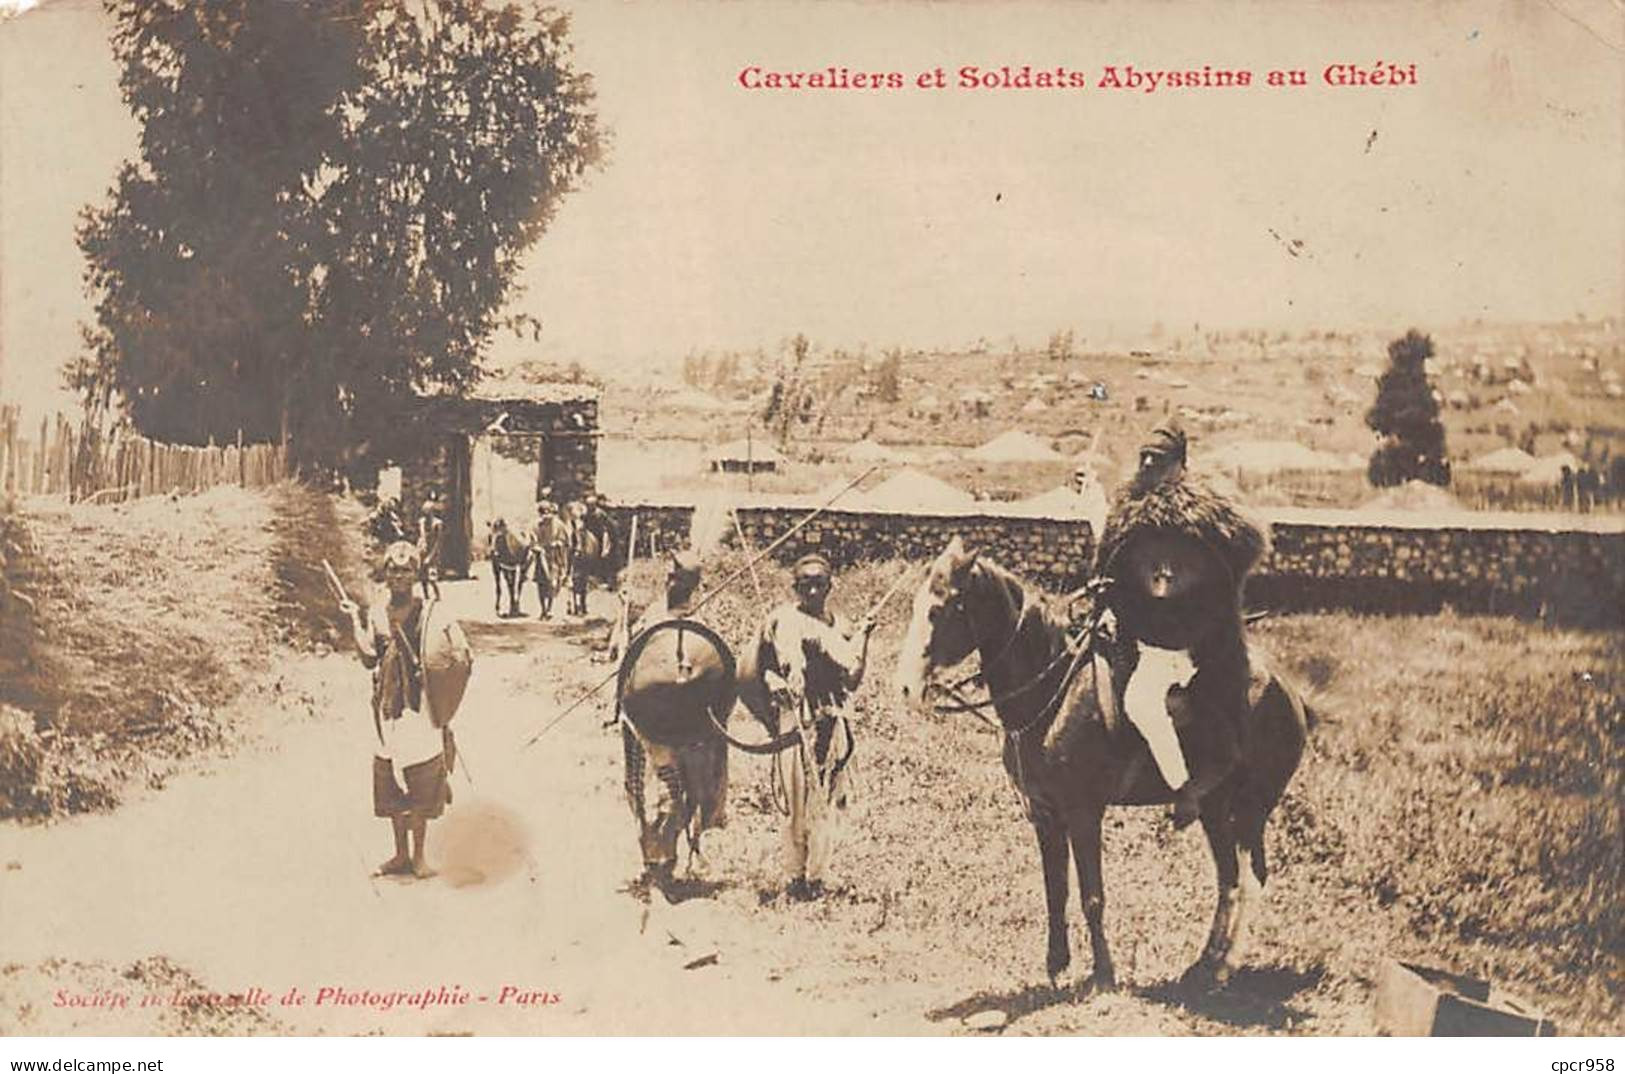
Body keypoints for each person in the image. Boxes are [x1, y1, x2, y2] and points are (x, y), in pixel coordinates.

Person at [1092, 425, 1265, 830]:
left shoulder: (1200, 519)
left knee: (1139, 702)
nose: (1150, 464)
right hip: (1134, 632)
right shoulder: (1132, 509)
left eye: (1160, 459)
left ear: (1180, 465)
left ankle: (1183, 789)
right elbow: (1116, 560)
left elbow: (1219, 570)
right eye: (1145, 456)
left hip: (1175, 643)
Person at [754, 553, 876, 898]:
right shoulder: (780, 621)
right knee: (794, 799)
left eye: (818, 583)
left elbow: (852, 680)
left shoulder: (842, 627)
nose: (811, 590)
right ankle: (794, 876)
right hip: (795, 720)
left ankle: (816, 877)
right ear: (794, 586)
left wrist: (863, 637)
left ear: (829, 586)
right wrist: (773, 682)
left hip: (833, 719)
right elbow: (756, 668)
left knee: (825, 801)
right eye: (804, 583)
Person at [341, 541, 452, 879]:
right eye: (393, 569)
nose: (399, 576)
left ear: (416, 573)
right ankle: (399, 854)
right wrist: (355, 623)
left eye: (405, 570)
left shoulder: (432, 612)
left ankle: (419, 856)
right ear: (385, 574)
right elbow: (369, 659)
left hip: (420, 710)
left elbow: (450, 659)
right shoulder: (376, 612)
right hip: (387, 708)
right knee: (390, 775)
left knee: (421, 776)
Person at [618, 550, 730, 879]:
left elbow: (717, 671)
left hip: (690, 724)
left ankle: (670, 854)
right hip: (644, 720)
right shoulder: (650, 615)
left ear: (692, 584)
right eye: (669, 575)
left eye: (679, 578)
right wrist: (624, 625)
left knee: (687, 794)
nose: (671, 582)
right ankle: (653, 858)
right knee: (646, 791)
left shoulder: (702, 622)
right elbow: (627, 661)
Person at [417, 487, 445, 600]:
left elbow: (438, 542)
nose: (426, 515)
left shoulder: (437, 524)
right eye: (425, 513)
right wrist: (420, 547)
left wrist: (431, 556)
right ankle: (426, 595)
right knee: (422, 575)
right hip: (423, 549)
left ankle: (437, 594)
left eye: (428, 513)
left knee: (432, 575)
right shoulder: (422, 522)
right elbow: (421, 536)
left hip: (433, 551)